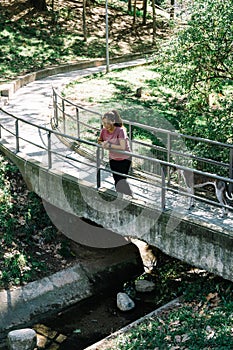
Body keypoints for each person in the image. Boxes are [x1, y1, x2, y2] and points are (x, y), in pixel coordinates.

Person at [98, 110, 132, 196]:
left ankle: (129, 197)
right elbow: (100, 140)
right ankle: (122, 197)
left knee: (121, 180)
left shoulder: (120, 131)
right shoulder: (104, 130)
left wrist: (109, 146)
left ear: (113, 121)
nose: (106, 126)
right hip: (113, 158)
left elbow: (122, 147)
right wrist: (102, 143)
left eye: (108, 123)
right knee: (116, 179)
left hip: (125, 159)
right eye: (104, 123)